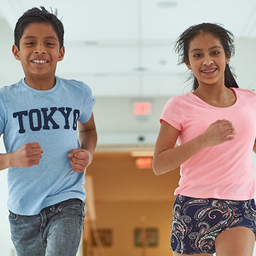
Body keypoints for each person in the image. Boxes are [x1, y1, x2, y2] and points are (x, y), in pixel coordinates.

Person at [0, 7, 97, 256]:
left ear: (61, 52)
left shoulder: (79, 93)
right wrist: (13, 159)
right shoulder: (5, 100)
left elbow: (89, 129)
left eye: (49, 43)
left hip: (67, 200)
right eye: (30, 43)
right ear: (16, 51)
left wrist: (88, 154)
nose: (40, 49)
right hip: (22, 212)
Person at [152, 23, 256, 256]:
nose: (207, 61)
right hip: (192, 206)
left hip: (240, 206)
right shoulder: (179, 106)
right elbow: (159, 164)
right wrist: (204, 140)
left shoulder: (251, 102)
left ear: (227, 56)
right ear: (189, 63)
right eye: (198, 55)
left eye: (214, 52)